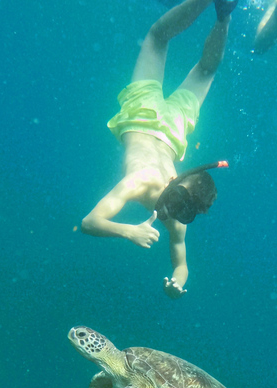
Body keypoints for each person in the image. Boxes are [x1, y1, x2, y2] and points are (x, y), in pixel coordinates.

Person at [81, 0, 238, 299]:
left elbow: (181, 264)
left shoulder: (177, 220)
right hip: (144, 116)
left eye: (183, 211)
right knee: (160, 39)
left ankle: (223, 13)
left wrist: (178, 283)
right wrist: (129, 231)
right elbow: (89, 223)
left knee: (193, 61)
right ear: (176, 182)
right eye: (178, 202)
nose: (172, 211)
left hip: (172, 131)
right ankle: (223, 13)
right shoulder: (140, 181)